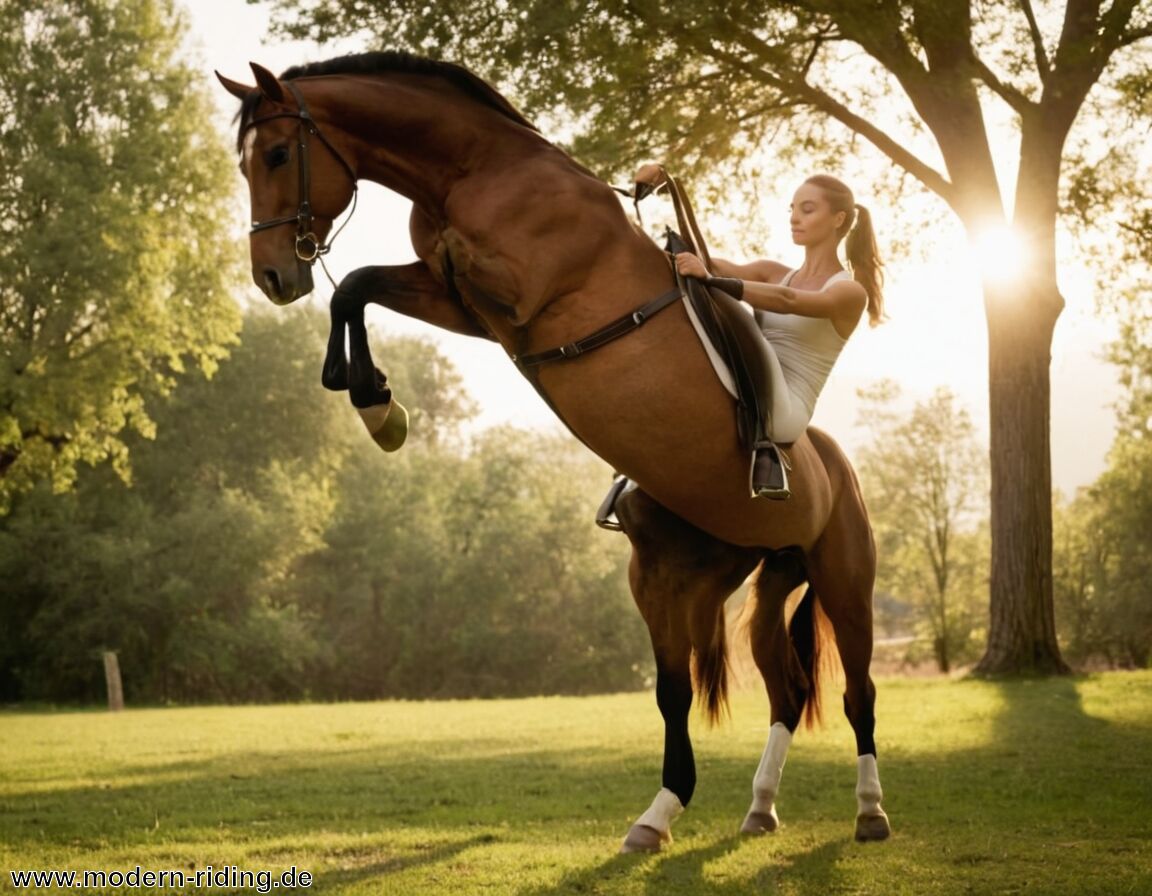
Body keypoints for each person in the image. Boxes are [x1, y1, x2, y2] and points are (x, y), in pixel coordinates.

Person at [674, 174, 886, 499]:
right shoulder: (772, 272)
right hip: (751, 379)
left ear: (838, 219)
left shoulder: (849, 292)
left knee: (737, 326)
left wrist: (714, 281)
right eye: (792, 209)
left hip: (786, 406)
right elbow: (710, 262)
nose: (794, 218)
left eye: (807, 209)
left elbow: (788, 301)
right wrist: (669, 192)